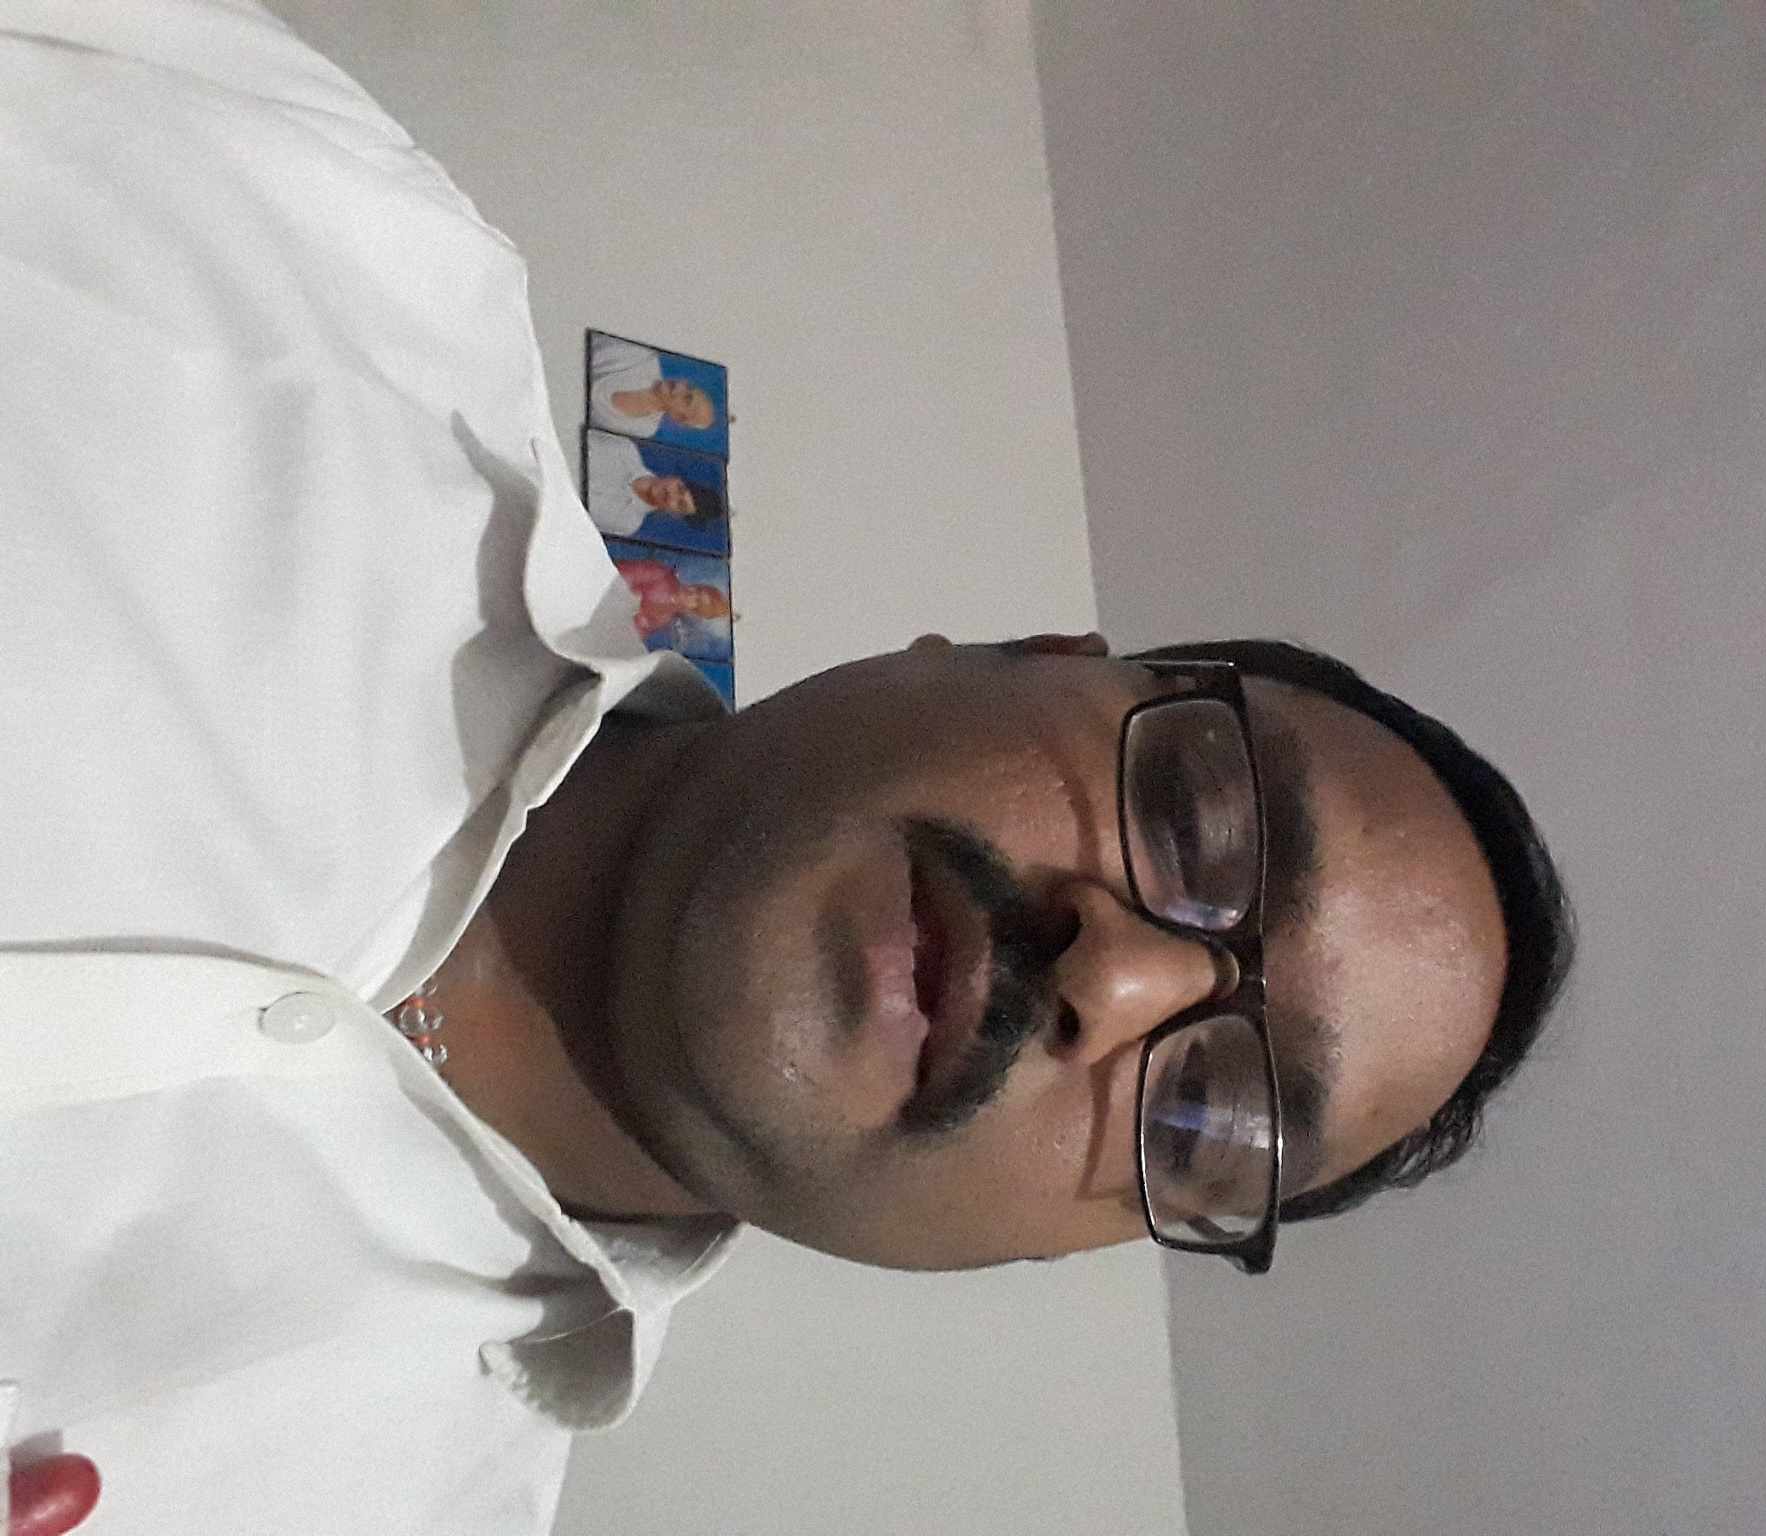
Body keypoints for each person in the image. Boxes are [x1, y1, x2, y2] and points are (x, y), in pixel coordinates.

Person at [0, 4, 1573, 1534]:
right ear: (1029, 654)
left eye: (1209, 1121)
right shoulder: (299, 223)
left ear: (1064, 1248)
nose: (1119, 979)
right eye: (1198, 818)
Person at [584, 430, 730, 544]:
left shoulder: (627, 523)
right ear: (676, 477)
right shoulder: (625, 449)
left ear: (675, 515)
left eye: (680, 504)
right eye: (679, 489)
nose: (671, 495)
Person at [588, 333, 721, 439]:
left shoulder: (644, 429)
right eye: (688, 387)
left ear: (679, 417)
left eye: (687, 398)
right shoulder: (641, 356)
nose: (680, 386)